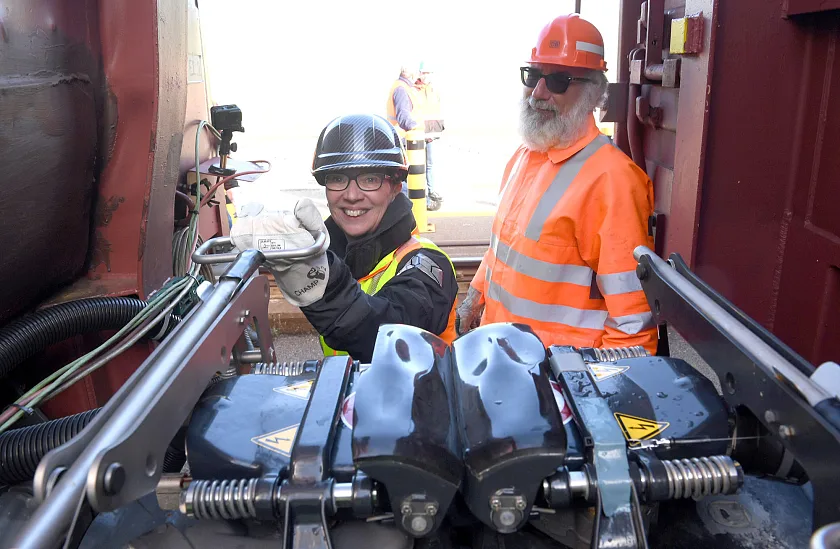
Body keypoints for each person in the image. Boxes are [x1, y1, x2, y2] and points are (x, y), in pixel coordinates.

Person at [455, 14, 657, 354]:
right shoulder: (524, 157)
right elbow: (505, 252)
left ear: (594, 93)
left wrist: (588, 395)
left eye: (559, 81)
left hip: (554, 382)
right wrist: (473, 299)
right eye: (532, 75)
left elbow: (633, 329)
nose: (538, 92)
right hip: (503, 364)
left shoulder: (613, 181)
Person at [231, 114, 458, 362]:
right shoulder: (339, 254)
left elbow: (387, 338)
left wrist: (320, 275)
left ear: (394, 187)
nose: (351, 195)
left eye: (369, 179)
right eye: (337, 179)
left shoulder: (428, 264)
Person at [415, 61, 445, 211]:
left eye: (429, 73)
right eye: (424, 73)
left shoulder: (434, 90)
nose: (426, 76)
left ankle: (431, 192)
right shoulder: (415, 89)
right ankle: (422, 197)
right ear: (420, 73)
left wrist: (436, 132)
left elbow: (436, 110)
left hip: (431, 134)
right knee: (419, 167)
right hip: (418, 134)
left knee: (430, 165)